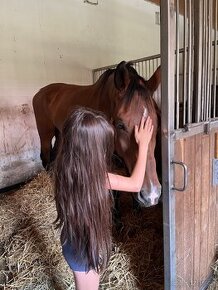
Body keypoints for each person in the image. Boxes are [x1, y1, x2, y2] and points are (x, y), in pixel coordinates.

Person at [54, 106, 153, 290]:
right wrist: (144, 144)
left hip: (71, 240)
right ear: (92, 151)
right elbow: (135, 184)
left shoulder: (64, 167)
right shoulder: (97, 179)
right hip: (83, 250)